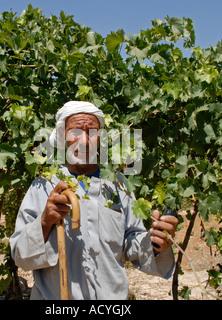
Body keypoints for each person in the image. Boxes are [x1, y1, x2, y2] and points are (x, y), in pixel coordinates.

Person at [10, 101, 178, 300]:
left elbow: (132, 242)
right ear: (63, 136)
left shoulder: (118, 184)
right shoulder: (44, 186)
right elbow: (20, 254)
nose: (84, 140)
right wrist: (45, 221)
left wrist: (156, 244)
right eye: (75, 131)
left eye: (92, 131)